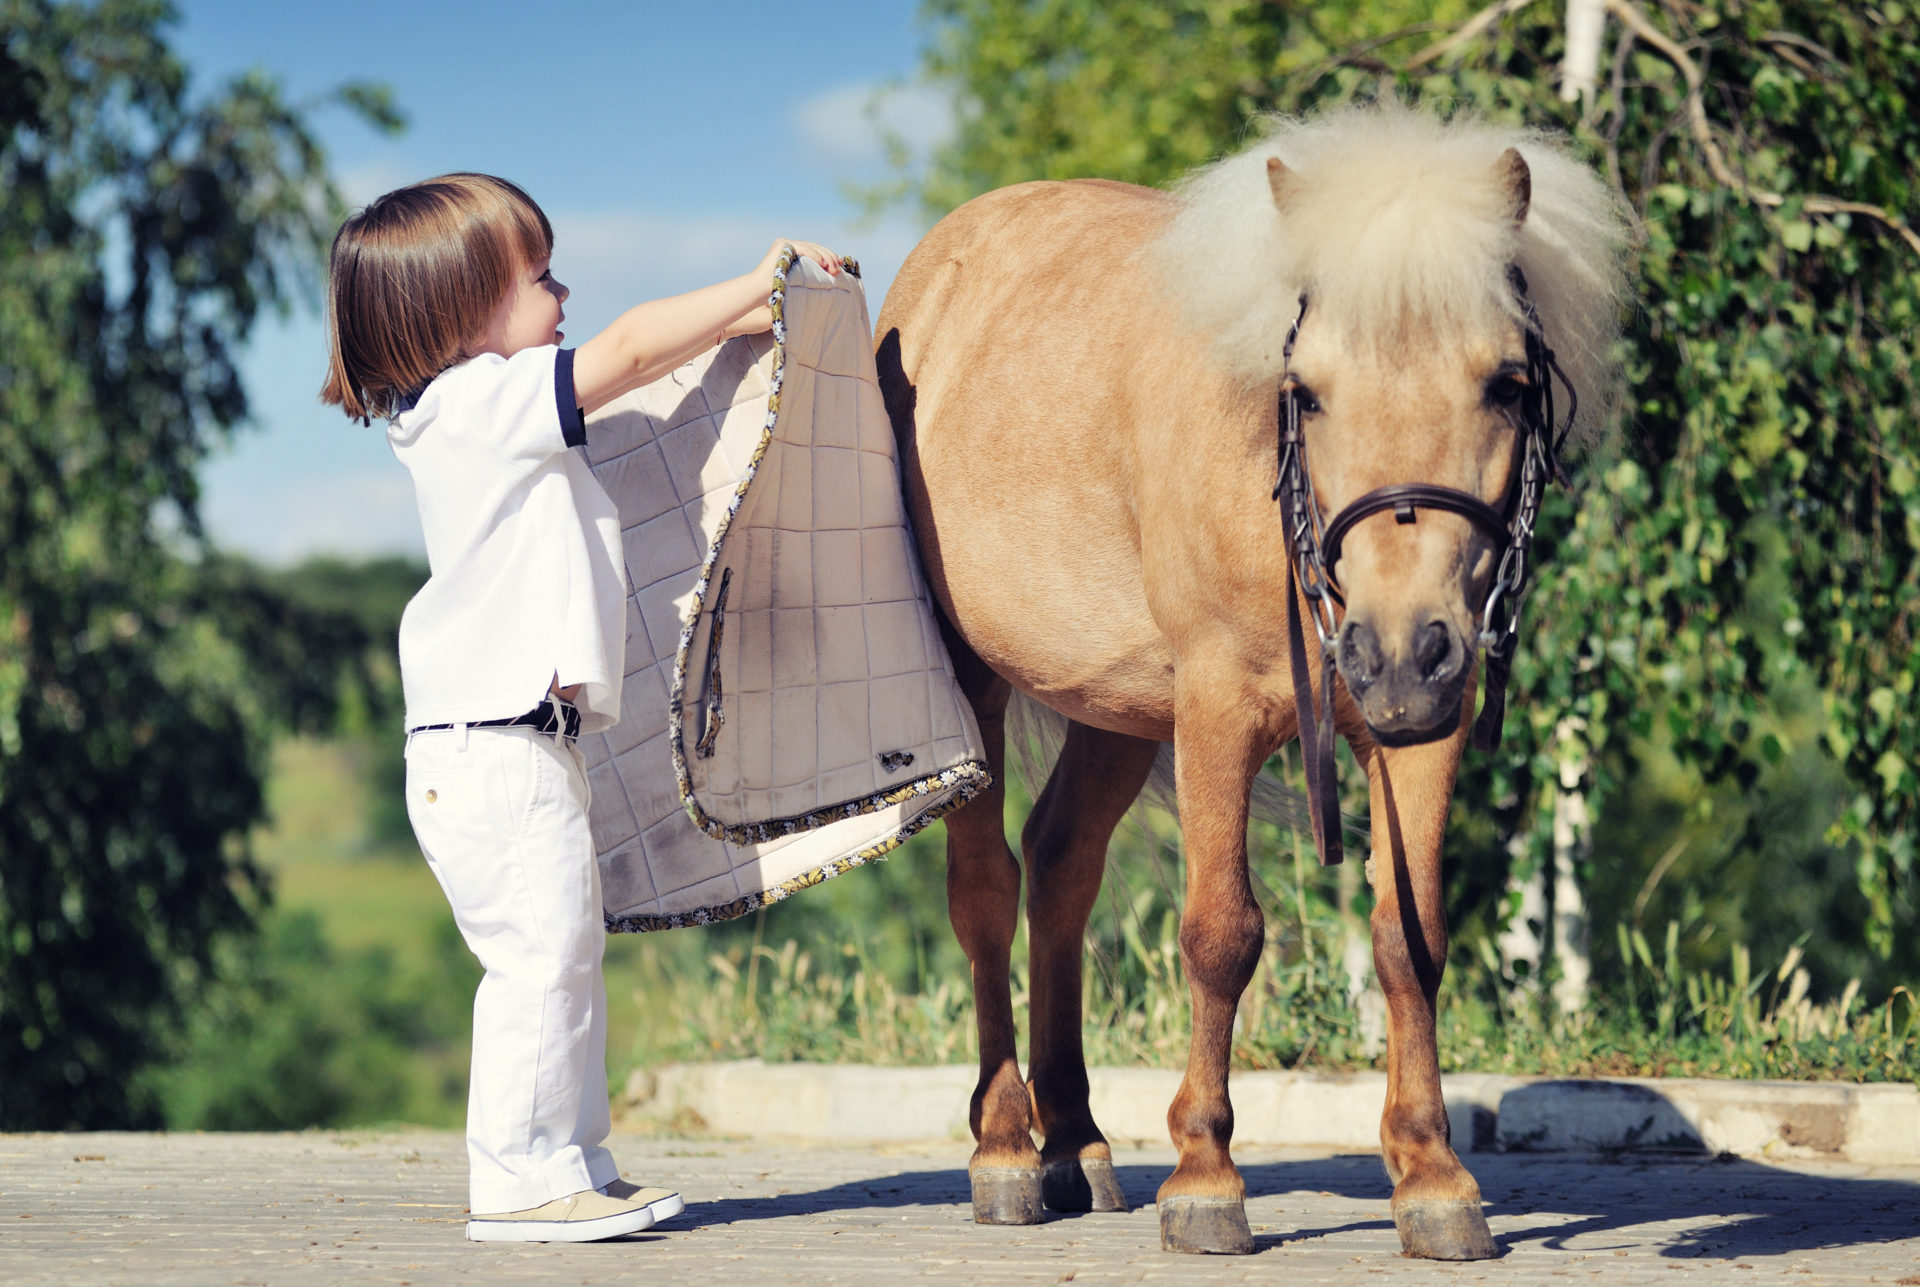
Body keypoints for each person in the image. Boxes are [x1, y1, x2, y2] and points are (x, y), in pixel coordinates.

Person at [319, 172, 840, 1243]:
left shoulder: (480, 416)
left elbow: (644, 368)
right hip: (490, 752)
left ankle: (571, 1159)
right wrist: (759, 276)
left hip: (518, 747)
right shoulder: (476, 405)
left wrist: (754, 316)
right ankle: (518, 1179)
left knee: (566, 956)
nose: (566, 292)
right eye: (541, 275)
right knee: (538, 963)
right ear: (464, 315)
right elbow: (639, 345)